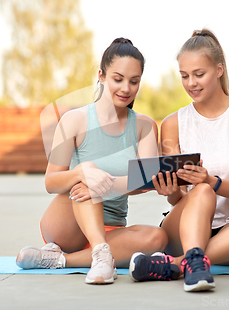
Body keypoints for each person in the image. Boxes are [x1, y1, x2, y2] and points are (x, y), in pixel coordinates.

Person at [129, 29, 229, 292]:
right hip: (183, 227)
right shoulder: (172, 124)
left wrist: (212, 181)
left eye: (199, 74)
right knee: (201, 192)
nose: (191, 83)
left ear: (220, 69)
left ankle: (178, 265)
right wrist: (172, 191)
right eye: (184, 76)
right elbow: (178, 199)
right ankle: (191, 261)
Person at [16, 38, 170, 285]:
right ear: (101, 75)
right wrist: (83, 172)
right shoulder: (74, 120)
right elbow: (51, 182)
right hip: (68, 226)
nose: (126, 88)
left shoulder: (145, 126)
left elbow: (145, 181)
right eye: (117, 79)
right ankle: (99, 254)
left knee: (158, 237)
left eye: (134, 81)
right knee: (88, 174)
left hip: (113, 229)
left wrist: (109, 184)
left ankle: (62, 260)